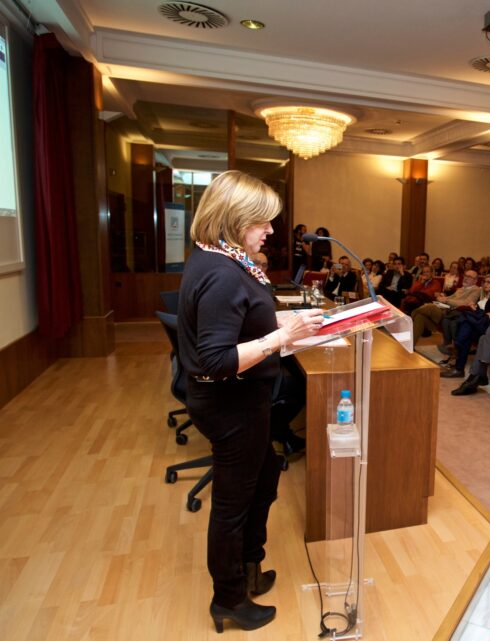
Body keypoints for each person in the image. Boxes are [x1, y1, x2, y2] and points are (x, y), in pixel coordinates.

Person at [177, 171, 325, 632]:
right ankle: (228, 598)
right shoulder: (222, 274)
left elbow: (241, 320)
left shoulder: (223, 259)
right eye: (262, 221)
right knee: (232, 505)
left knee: (265, 478)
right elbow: (217, 359)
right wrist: (282, 336)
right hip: (231, 404)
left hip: (243, 400)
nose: (271, 230)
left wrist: (284, 326)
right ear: (235, 219)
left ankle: (249, 568)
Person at [410, 270, 482, 346]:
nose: (466, 278)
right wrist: (442, 297)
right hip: (444, 311)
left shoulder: (476, 290)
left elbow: (466, 303)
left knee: (430, 307)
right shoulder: (461, 289)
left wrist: (446, 300)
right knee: (420, 317)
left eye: (469, 277)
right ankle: (410, 345)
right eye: (465, 275)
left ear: (475, 281)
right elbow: (450, 298)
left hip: (452, 315)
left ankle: (409, 318)